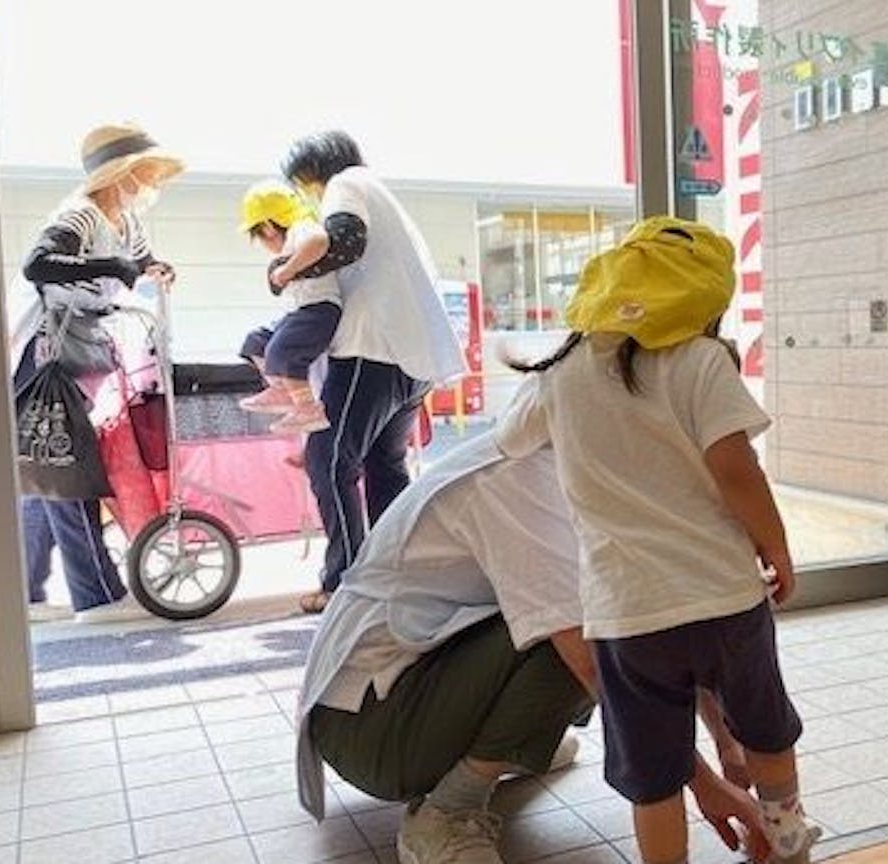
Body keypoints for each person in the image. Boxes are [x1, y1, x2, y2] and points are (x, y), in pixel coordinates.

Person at [499, 217, 818, 864]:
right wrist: (775, 546)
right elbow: (736, 468)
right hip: (724, 597)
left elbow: (509, 441)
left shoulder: (562, 372)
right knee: (765, 727)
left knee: (655, 774)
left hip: (627, 615)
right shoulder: (698, 361)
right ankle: (784, 837)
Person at [297, 433, 770, 864]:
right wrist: (706, 785)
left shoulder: (578, 462)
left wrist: (728, 745)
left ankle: (509, 746)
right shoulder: (521, 476)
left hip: (410, 685)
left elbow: (662, 624)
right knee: (589, 638)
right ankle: (448, 811)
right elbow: (596, 663)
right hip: (367, 729)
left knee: (615, 613)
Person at [278, 131, 465, 613]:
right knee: (385, 467)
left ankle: (345, 584)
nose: (309, 198)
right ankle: (392, 575)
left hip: (372, 349)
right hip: (413, 359)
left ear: (313, 174)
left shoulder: (347, 184)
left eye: (304, 187)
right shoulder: (384, 198)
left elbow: (344, 242)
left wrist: (286, 269)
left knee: (329, 459)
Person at [6, 122, 183, 624]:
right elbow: (38, 265)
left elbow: (139, 261)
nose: (153, 185)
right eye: (147, 174)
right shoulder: (80, 215)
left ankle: (28, 593)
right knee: (67, 471)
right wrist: (114, 267)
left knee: (46, 470)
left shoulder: (125, 221)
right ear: (122, 173)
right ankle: (98, 595)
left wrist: (154, 268)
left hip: (81, 349)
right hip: (49, 354)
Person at [235, 180, 341, 435]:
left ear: (268, 227)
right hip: (303, 311)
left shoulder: (301, 228)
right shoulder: (295, 236)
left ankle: (307, 407)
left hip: (320, 309)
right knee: (256, 342)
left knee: (282, 349)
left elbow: (319, 241)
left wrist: (288, 269)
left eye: (259, 237)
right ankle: (280, 389)